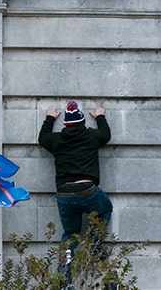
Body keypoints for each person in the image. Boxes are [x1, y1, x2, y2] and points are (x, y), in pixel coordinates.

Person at [38, 100, 112, 282]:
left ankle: (65, 278)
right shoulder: (91, 136)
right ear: (82, 122)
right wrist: (100, 116)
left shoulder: (57, 140)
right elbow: (106, 134)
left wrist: (49, 118)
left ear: (66, 124)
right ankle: (95, 246)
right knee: (105, 209)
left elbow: (43, 138)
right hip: (87, 191)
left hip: (64, 195)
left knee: (70, 235)